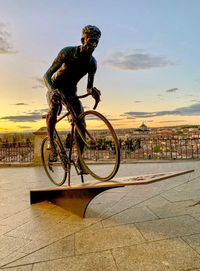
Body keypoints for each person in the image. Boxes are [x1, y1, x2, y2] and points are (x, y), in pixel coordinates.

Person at [43, 25, 101, 173]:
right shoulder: (67, 52)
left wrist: (92, 90)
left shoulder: (92, 63)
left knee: (81, 123)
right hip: (56, 87)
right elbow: (47, 75)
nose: (93, 45)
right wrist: (52, 90)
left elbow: (89, 86)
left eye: (96, 42)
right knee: (54, 108)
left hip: (70, 92)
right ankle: (51, 142)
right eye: (91, 41)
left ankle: (80, 161)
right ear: (83, 39)